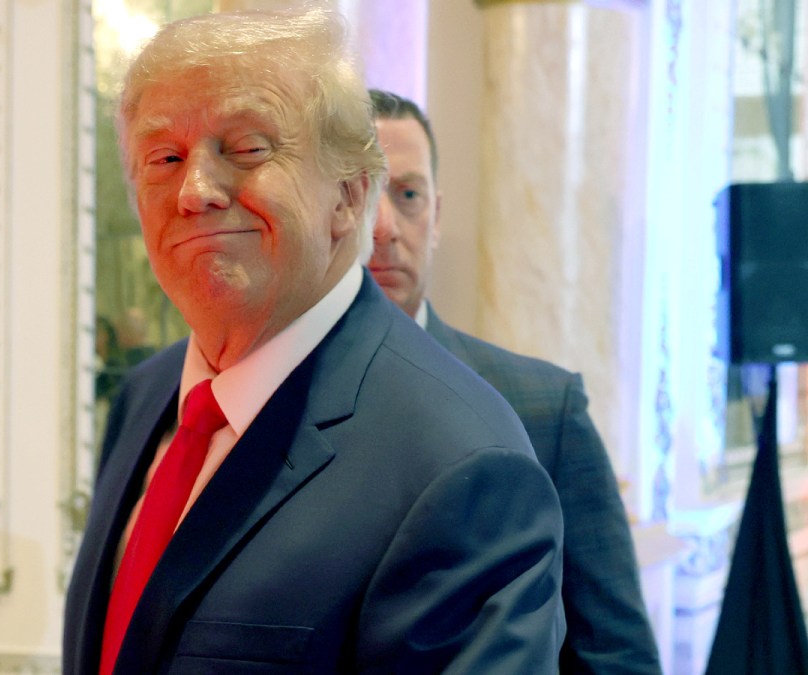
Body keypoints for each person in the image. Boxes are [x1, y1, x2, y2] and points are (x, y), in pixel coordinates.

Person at [64, 8, 565, 673]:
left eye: (246, 148)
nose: (195, 190)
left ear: (349, 197)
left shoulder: (461, 463)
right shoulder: (144, 398)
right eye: (165, 157)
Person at [366, 88, 662, 673]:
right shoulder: (273, 404)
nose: (383, 228)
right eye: (362, 193)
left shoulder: (544, 410)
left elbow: (619, 657)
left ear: (438, 215)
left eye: (407, 195)